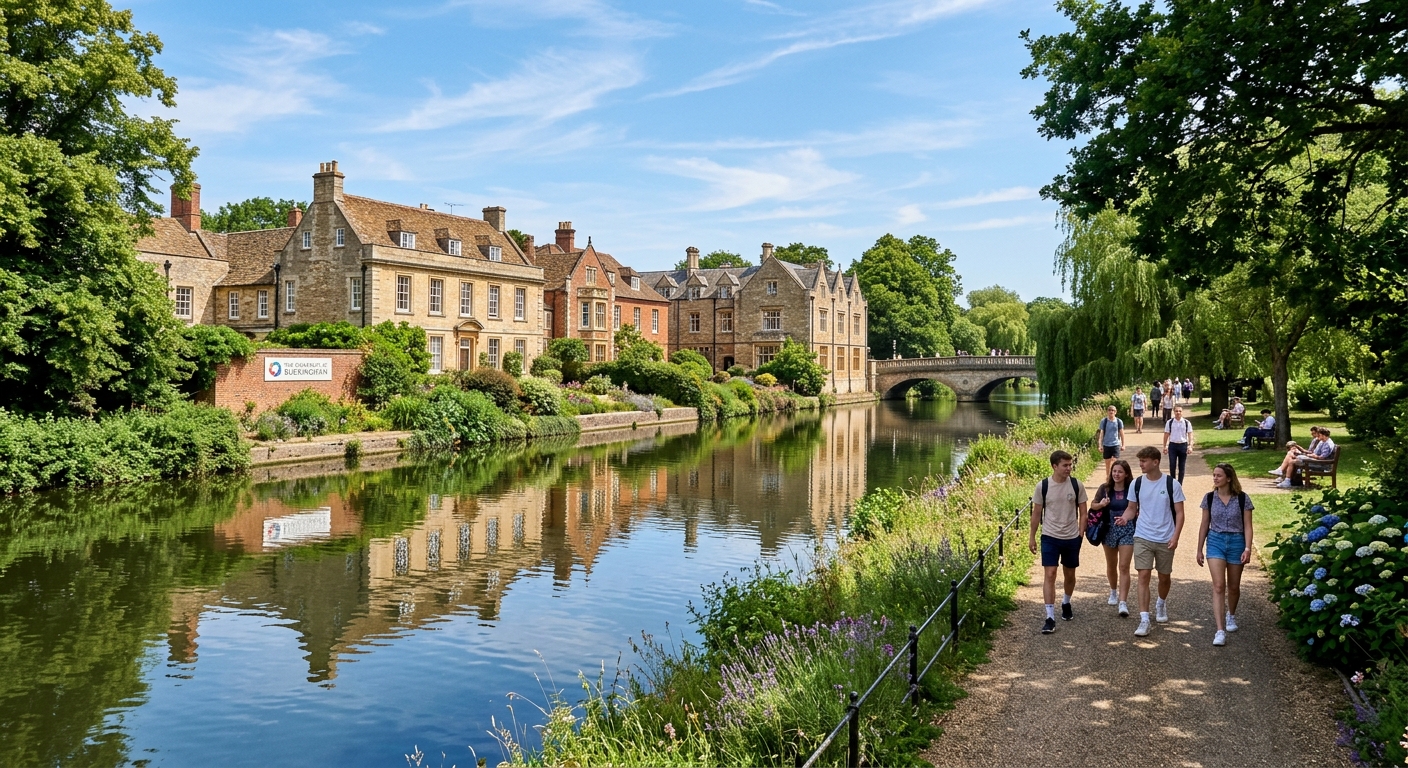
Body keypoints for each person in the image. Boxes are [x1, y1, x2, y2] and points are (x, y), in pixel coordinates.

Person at [1126, 446, 1186, 637]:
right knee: (1143, 576)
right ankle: (1144, 618)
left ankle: (1161, 602)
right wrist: (1125, 518)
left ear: (1155, 462)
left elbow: (1180, 513)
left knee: (1164, 577)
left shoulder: (1171, 484)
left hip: (1165, 537)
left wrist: (1175, 536)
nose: (1141, 464)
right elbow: (1131, 508)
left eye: (1144, 461)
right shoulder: (1136, 484)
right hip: (1142, 535)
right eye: (1140, 461)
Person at [1028, 450, 1088, 634]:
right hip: (1050, 536)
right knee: (1050, 574)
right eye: (1065, 465)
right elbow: (1037, 513)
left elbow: (1084, 512)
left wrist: (1080, 533)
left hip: (1071, 537)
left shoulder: (1077, 485)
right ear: (1055, 466)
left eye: (1070, 465)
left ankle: (1066, 602)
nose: (1069, 468)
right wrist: (1032, 536)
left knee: (1069, 575)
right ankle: (1049, 616)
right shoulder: (1043, 486)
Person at [1197, 463, 1254, 646]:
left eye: (1219, 475)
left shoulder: (1243, 499)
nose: (1215, 478)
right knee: (1219, 585)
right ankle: (1220, 630)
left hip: (1237, 542)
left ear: (1229, 478)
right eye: (1214, 475)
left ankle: (1231, 615)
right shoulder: (1209, 498)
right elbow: (1204, 524)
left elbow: (1247, 525)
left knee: (1234, 587)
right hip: (1216, 541)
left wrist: (1247, 548)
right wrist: (1199, 549)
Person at [1092, 459, 1136, 617]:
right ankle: (1113, 591)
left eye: (1120, 472)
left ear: (1126, 474)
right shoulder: (1105, 489)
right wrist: (1102, 504)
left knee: (1124, 566)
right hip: (1109, 529)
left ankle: (1123, 602)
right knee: (1112, 565)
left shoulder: (1132, 489)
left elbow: (1139, 506)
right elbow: (1092, 505)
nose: (1116, 474)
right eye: (1114, 471)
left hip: (1127, 529)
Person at [1163, 404, 1193, 483]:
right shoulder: (1170, 422)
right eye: (1176, 411)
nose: (1178, 413)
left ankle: (1179, 484)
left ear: (1182, 412)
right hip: (1173, 445)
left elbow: (1190, 434)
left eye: (1180, 411)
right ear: (1174, 412)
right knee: (1172, 465)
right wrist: (1165, 446)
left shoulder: (1187, 423)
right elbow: (1166, 434)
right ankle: (1173, 483)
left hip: (1183, 445)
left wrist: (1190, 446)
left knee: (1181, 466)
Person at [1096, 405, 1125, 479]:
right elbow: (1101, 434)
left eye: (1113, 410)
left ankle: (1113, 477)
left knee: (1114, 462)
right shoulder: (1104, 421)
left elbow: (1121, 433)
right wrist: (1100, 445)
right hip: (1106, 444)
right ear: (1107, 412)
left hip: (1116, 444)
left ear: (1115, 412)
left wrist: (1123, 444)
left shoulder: (1119, 421)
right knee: (1107, 463)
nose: (1111, 411)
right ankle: (1108, 477)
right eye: (1109, 410)